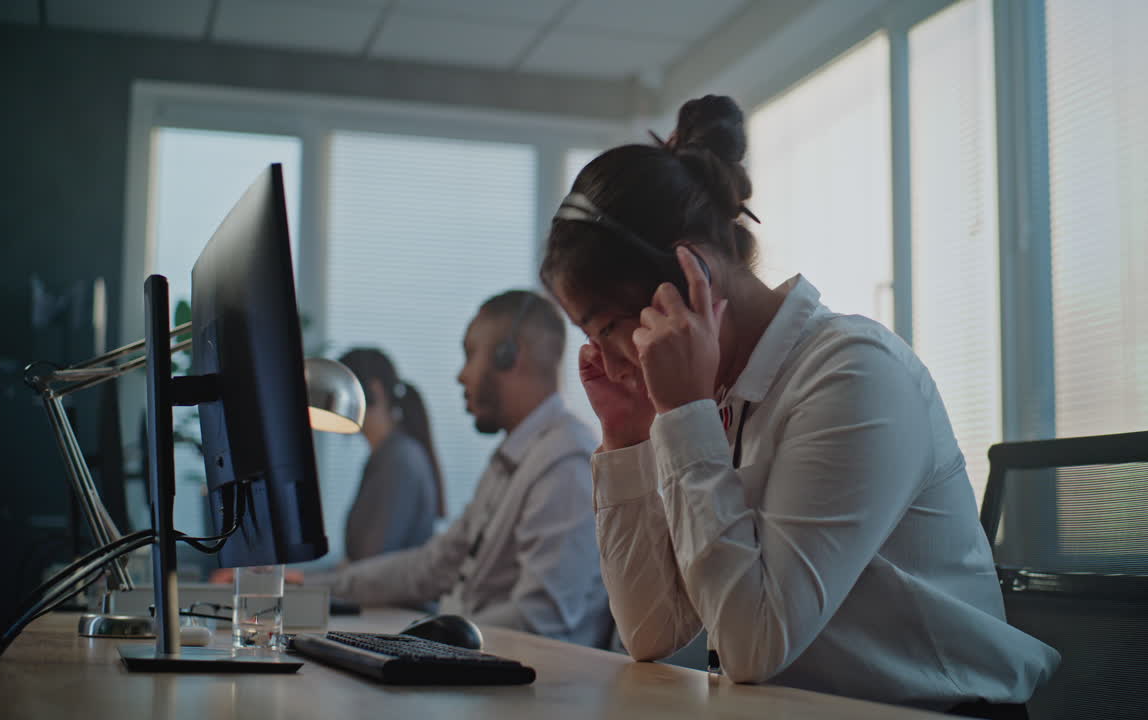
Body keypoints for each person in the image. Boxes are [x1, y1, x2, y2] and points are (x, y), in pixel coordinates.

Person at [539, 95, 1059, 718]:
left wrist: (683, 418)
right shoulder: (719, 397)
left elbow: (753, 646)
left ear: (690, 271)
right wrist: (627, 437)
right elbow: (651, 633)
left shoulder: (852, 373)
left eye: (607, 325)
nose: (605, 358)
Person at [319, 290, 612, 648]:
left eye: (470, 354)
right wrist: (325, 587)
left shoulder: (565, 463)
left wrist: (425, 636)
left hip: (534, 684)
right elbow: (435, 564)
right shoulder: (514, 458)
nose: (460, 376)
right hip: (481, 663)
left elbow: (542, 619)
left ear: (509, 356)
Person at [336, 348, 443, 563]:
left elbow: (373, 561)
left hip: (388, 595)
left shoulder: (399, 460)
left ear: (375, 390)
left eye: (340, 393)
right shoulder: (386, 455)